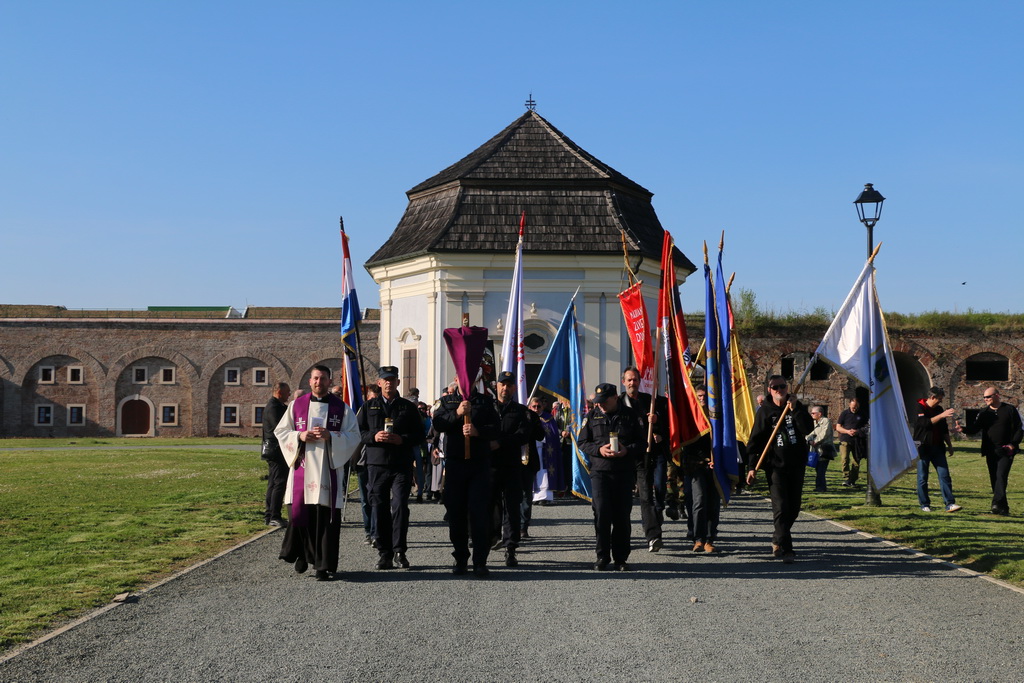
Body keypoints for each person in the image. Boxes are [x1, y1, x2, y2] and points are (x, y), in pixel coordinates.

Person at [276, 365, 361, 581]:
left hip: (327, 472)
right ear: (309, 381)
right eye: (315, 378)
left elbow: (354, 436)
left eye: (323, 378)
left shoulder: (341, 409)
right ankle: (303, 554)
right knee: (299, 515)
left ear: (329, 380)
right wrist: (299, 436)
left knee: (325, 520)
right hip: (302, 469)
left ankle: (323, 566)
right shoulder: (296, 406)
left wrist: (331, 436)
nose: (318, 382)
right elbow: (281, 431)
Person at [432, 379, 500, 577]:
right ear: (456, 380)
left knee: (479, 514)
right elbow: (438, 423)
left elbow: (496, 428)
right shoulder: (447, 402)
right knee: (456, 514)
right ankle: (460, 558)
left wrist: (478, 432)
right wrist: (457, 414)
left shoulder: (485, 402)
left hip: (479, 465)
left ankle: (480, 561)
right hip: (455, 464)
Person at [357, 366, 423, 570]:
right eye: (385, 380)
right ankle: (384, 553)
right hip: (377, 465)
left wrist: (401, 439)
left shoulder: (407, 407)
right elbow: (358, 432)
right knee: (379, 507)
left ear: (398, 383)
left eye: (393, 380)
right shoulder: (369, 406)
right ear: (379, 383)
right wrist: (373, 436)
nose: (389, 383)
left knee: (401, 506)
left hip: (400, 465)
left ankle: (400, 551)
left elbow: (420, 435)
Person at [745, 376, 813, 564]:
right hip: (775, 467)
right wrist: (752, 467)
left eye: (782, 386)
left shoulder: (797, 406)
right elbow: (755, 441)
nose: (779, 390)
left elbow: (807, 429)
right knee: (781, 508)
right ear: (769, 390)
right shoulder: (764, 412)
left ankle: (777, 537)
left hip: (796, 465)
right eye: (775, 387)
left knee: (794, 509)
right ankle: (787, 548)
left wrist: (796, 409)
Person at [577, 382, 644, 571]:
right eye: (598, 402)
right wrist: (598, 449)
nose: (600, 405)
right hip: (600, 472)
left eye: (604, 401)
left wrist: (626, 450)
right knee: (601, 514)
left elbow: (642, 443)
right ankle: (602, 557)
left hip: (623, 472)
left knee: (622, 517)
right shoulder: (592, 416)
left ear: (615, 398)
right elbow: (582, 442)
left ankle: (621, 558)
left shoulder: (630, 416)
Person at [619, 367, 667, 553]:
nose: (633, 383)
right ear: (623, 382)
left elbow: (664, 424)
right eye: (629, 380)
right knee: (623, 500)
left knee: (647, 497)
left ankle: (653, 536)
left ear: (639, 381)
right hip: (624, 457)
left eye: (635, 380)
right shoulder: (618, 402)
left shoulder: (650, 401)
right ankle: (622, 537)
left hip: (644, 456)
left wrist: (656, 423)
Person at [490, 371, 535, 567]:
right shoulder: (488, 409)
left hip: (511, 465)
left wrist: (501, 443)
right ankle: (491, 538)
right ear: (496, 386)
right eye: (502, 384)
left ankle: (510, 547)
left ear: (514, 388)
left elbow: (524, 435)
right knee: (491, 505)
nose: (505, 388)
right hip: (490, 465)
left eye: (509, 385)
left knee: (512, 507)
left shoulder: (520, 411)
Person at [958, 387, 1023, 515]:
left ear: (997, 396)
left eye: (988, 397)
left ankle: (996, 503)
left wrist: (1013, 444)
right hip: (990, 450)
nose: (985, 399)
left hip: (1006, 450)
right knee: (994, 477)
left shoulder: (1009, 409)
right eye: (984, 397)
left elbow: (1019, 429)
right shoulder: (984, 413)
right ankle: (1003, 508)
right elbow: (975, 428)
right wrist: (962, 429)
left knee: (1001, 476)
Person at [681, 384, 719, 553]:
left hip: (714, 464)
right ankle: (698, 538)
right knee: (699, 500)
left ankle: (710, 539)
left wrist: (716, 458)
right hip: (695, 466)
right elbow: (686, 445)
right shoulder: (690, 418)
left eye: (705, 395)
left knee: (713, 502)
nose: (702, 398)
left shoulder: (717, 417)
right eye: (699, 396)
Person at [913, 387, 962, 513]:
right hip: (922, 447)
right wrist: (941, 415)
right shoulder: (920, 407)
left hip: (938, 448)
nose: (940, 402)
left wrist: (949, 445)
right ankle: (924, 504)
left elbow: (944, 429)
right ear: (932, 397)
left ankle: (950, 503)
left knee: (944, 475)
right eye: (939, 399)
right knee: (923, 477)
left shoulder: (939, 409)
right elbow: (924, 423)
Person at [261, 381, 291, 527]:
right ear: (279, 392)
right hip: (276, 450)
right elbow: (280, 428)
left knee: (273, 483)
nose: (289, 395)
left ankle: (270, 515)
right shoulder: (274, 407)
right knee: (279, 483)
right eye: (287, 392)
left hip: (275, 450)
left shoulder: (277, 406)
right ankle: (274, 515)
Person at [835, 398, 868, 487]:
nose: (854, 409)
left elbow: (867, 427)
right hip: (845, 439)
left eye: (856, 407)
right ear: (849, 405)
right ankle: (846, 477)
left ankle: (852, 480)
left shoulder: (863, 414)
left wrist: (857, 431)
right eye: (853, 407)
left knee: (856, 460)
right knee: (844, 458)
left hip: (858, 441)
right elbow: (838, 427)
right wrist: (847, 431)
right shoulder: (844, 414)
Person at [806, 406, 835, 493]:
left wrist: (814, 441)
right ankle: (819, 486)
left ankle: (821, 487)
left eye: (813, 413)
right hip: (816, 450)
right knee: (818, 469)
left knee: (821, 469)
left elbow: (824, 434)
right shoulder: (814, 422)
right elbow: (810, 433)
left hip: (824, 449)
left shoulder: (826, 421)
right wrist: (808, 439)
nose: (812, 414)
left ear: (820, 414)